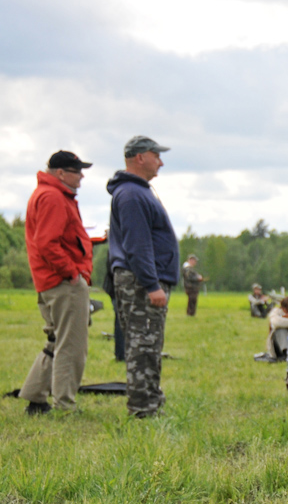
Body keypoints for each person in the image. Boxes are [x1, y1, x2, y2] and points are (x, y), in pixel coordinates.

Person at [106, 135, 179, 418]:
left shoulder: (138, 191)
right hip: (141, 282)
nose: (160, 161)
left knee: (149, 342)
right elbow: (138, 245)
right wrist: (151, 284)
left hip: (144, 280)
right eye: (156, 155)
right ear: (139, 157)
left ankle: (151, 401)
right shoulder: (132, 194)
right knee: (143, 344)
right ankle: (142, 408)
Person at [17, 150, 95, 414]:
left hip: (50, 280)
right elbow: (47, 243)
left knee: (55, 342)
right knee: (71, 345)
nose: (82, 176)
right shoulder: (53, 197)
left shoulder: (48, 194)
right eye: (77, 171)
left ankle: (35, 398)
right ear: (61, 173)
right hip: (63, 283)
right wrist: (72, 274)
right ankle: (65, 405)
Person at [259, 296, 288, 362]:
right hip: (278, 347)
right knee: (280, 330)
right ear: (284, 309)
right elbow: (276, 323)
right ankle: (285, 354)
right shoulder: (276, 312)